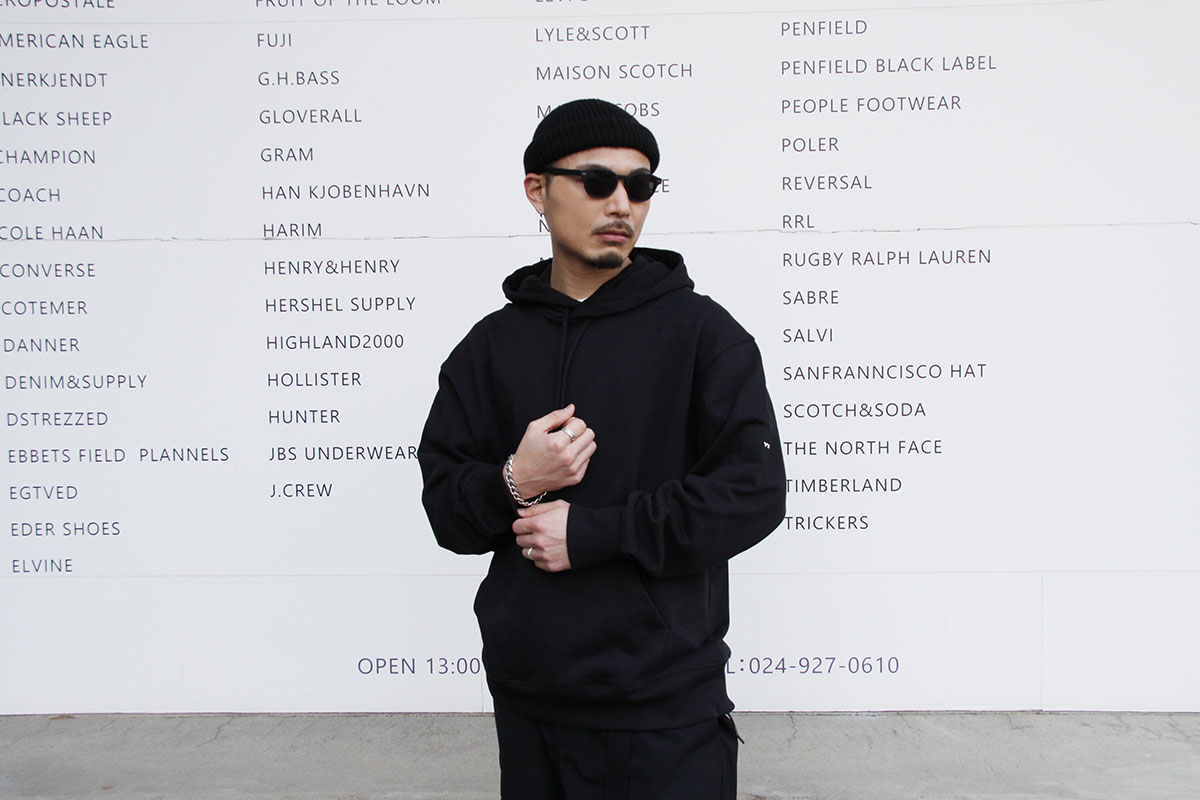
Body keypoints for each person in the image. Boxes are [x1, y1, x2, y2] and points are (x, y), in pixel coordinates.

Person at [418, 98, 786, 799]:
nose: (622, 203)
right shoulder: (489, 349)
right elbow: (447, 514)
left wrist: (594, 533)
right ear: (537, 189)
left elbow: (753, 493)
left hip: (664, 712)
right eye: (596, 181)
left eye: (640, 186)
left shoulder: (705, 336)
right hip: (529, 705)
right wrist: (516, 480)